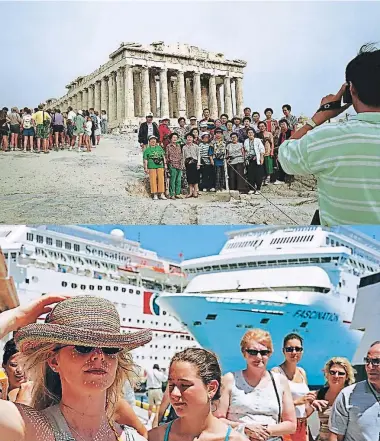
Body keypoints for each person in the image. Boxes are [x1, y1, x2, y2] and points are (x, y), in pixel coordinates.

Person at [0, 294, 152, 441]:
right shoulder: (33, 428)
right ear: (53, 360)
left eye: (110, 348)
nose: (99, 355)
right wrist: (16, 316)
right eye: (83, 347)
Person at [279, 44, 380, 225]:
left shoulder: (327, 138)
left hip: (343, 250)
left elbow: (285, 155)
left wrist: (321, 115)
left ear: (351, 90)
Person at [214, 329, 296, 441]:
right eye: (252, 352)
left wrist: (264, 431)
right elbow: (217, 420)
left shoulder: (280, 381)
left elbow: (291, 424)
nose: (258, 357)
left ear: (270, 353)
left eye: (264, 353)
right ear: (244, 353)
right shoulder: (230, 379)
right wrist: (244, 428)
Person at [149, 348, 246, 441]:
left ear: (211, 388)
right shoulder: (154, 437)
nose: (174, 393)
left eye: (184, 385)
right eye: (171, 385)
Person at [329, 341, 380, 441]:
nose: (369, 367)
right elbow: (335, 436)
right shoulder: (347, 395)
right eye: (367, 361)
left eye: (376, 361)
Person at [272, 334, 312, 441]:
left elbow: (305, 408)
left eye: (298, 349)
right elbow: (272, 404)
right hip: (285, 424)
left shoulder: (302, 372)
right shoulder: (276, 372)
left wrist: (314, 403)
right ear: (283, 351)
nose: (294, 352)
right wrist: (297, 402)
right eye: (290, 349)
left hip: (302, 424)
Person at [307, 357, 355, 441]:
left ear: (347, 376)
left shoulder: (352, 396)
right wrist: (310, 403)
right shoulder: (320, 394)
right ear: (327, 374)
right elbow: (302, 416)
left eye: (341, 373)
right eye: (332, 372)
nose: (336, 376)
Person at [2, 338, 32, 404]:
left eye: (24, 364)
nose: (19, 370)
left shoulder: (39, 394)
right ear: (4, 365)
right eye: (14, 365)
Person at [143, 135, 167, 200]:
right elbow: (145, 159)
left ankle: (161, 193)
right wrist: (145, 167)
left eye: (154, 139)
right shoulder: (147, 150)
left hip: (160, 165)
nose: (153, 141)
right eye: (151, 139)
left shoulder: (159, 148)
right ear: (149, 141)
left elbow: (163, 156)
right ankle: (155, 194)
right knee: (153, 179)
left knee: (161, 179)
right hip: (151, 165)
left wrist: (165, 164)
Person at [244, 128, 265, 194]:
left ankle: (258, 189)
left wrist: (261, 158)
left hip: (257, 159)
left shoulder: (258, 140)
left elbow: (262, 149)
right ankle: (252, 188)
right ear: (247, 134)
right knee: (250, 174)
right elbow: (245, 150)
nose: (250, 134)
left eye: (251, 132)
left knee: (258, 174)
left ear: (254, 133)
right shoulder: (246, 141)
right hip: (249, 159)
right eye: (249, 132)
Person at [146, 364, 168, 428]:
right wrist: (164, 372)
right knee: (158, 408)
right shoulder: (159, 373)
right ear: (158, 368)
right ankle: (155, 422)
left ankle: (149, 421)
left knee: (150, 407)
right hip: (157, 390)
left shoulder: (149, 372)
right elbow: (165, 379)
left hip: (150, 390)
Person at [166, 132, 184, 199]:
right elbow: (167, 156)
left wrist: (181, 163)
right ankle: (172, 194)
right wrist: (168, 164)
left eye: (176, 137)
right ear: (170, 139)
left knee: (178, 180)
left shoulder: (179, 145)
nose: (175, 139)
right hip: (172, 164)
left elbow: (180, 155)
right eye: (173, 137)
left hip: (179, 164)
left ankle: (178, 193)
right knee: (172, 180)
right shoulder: (168, 146)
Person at [182, 132, 200, 198]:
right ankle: (190, 192)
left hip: (194, 163)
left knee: (195, 178)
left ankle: (195, 192)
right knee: (189, 178)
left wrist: (198, 164)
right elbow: (183, 156)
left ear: (193, 139)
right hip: (187, 163)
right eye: (188, 137)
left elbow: (198, 155)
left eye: (191, 137)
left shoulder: (196, 146)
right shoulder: (184, 147)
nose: (189, 139)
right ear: (186, 139)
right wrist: (183, 164)